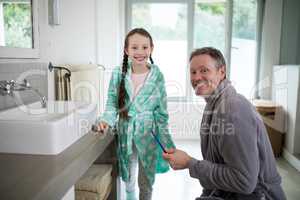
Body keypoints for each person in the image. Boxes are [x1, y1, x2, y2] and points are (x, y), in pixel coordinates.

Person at [162, 47, 286, 200]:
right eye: (193, 72)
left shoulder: (232, 110)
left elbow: (244, 181)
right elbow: (216, 164)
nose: (196, 77)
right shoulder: (214, 104)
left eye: (204, 70)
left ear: (222, 72)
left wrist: (190, 163)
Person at [97, 28, 175, 200]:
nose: (140, 52)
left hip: (149, 132)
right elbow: (111, 103)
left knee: (146, 178)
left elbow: (162, 112)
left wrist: (166, 139)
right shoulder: (119, 73)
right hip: (126, 130)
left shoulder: (157, 76)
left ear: (151, 49)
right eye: (134, 47)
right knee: (129, 175)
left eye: (144, 47)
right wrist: (106, 120)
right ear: (126, 50)